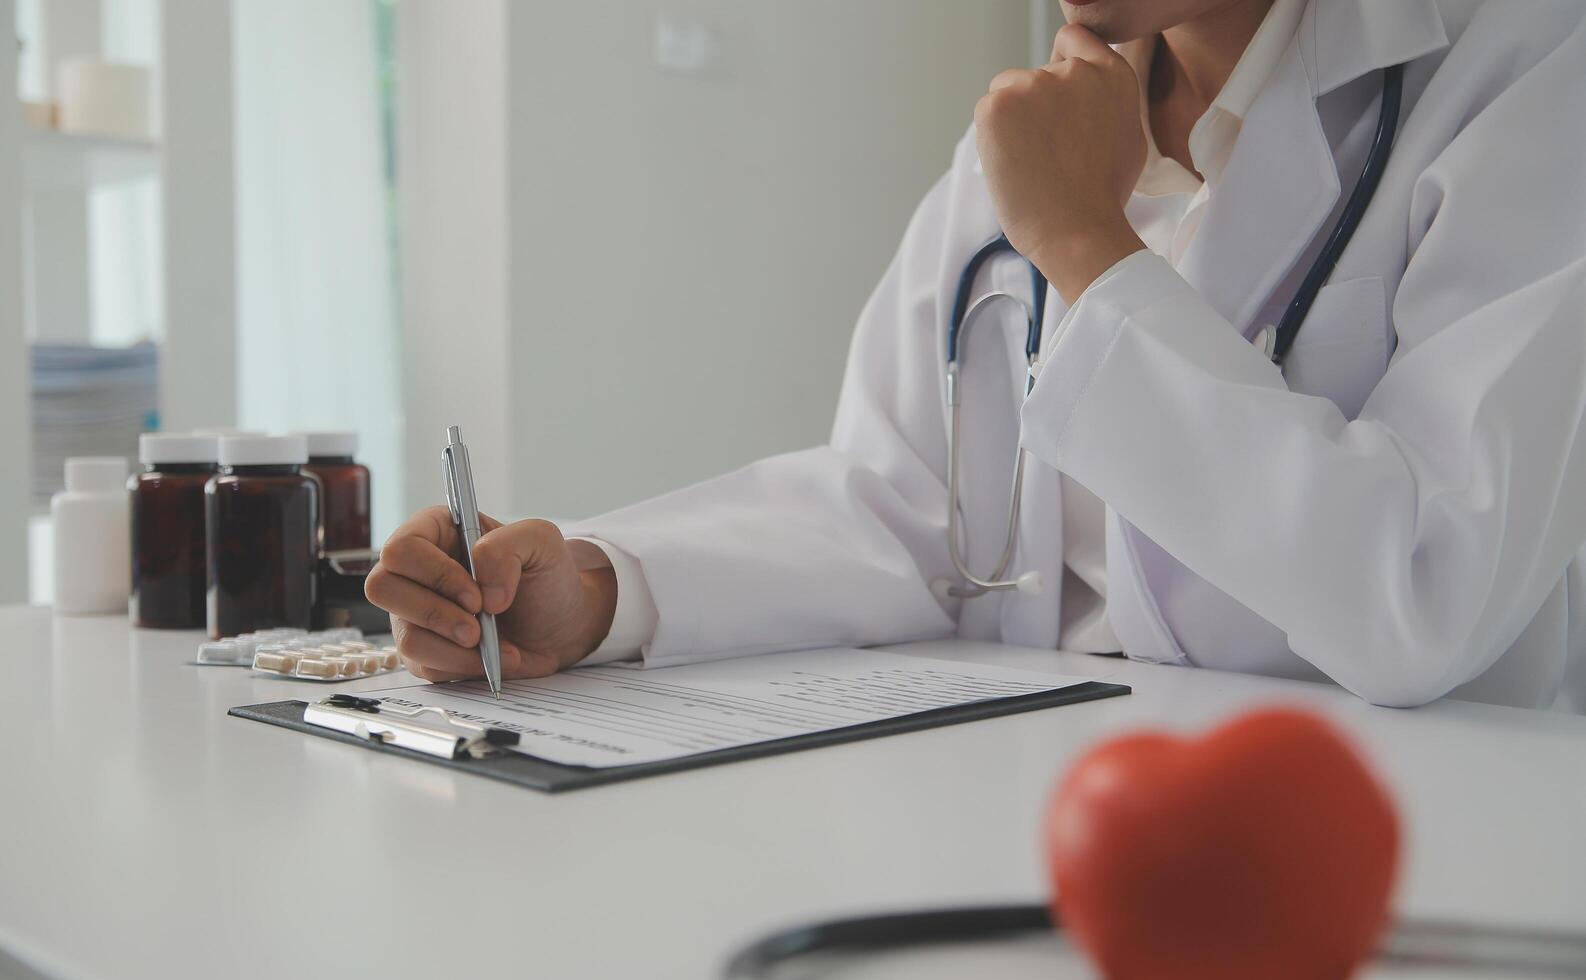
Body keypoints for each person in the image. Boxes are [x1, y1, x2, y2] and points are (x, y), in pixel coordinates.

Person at [367, 0, 1586, 710]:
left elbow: (1426, 586)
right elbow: (903, 510)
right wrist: (600, 589)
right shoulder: (1047, 121)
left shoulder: (1525, 66)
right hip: (1043, 808)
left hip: (1399, 847)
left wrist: (1085, 245)